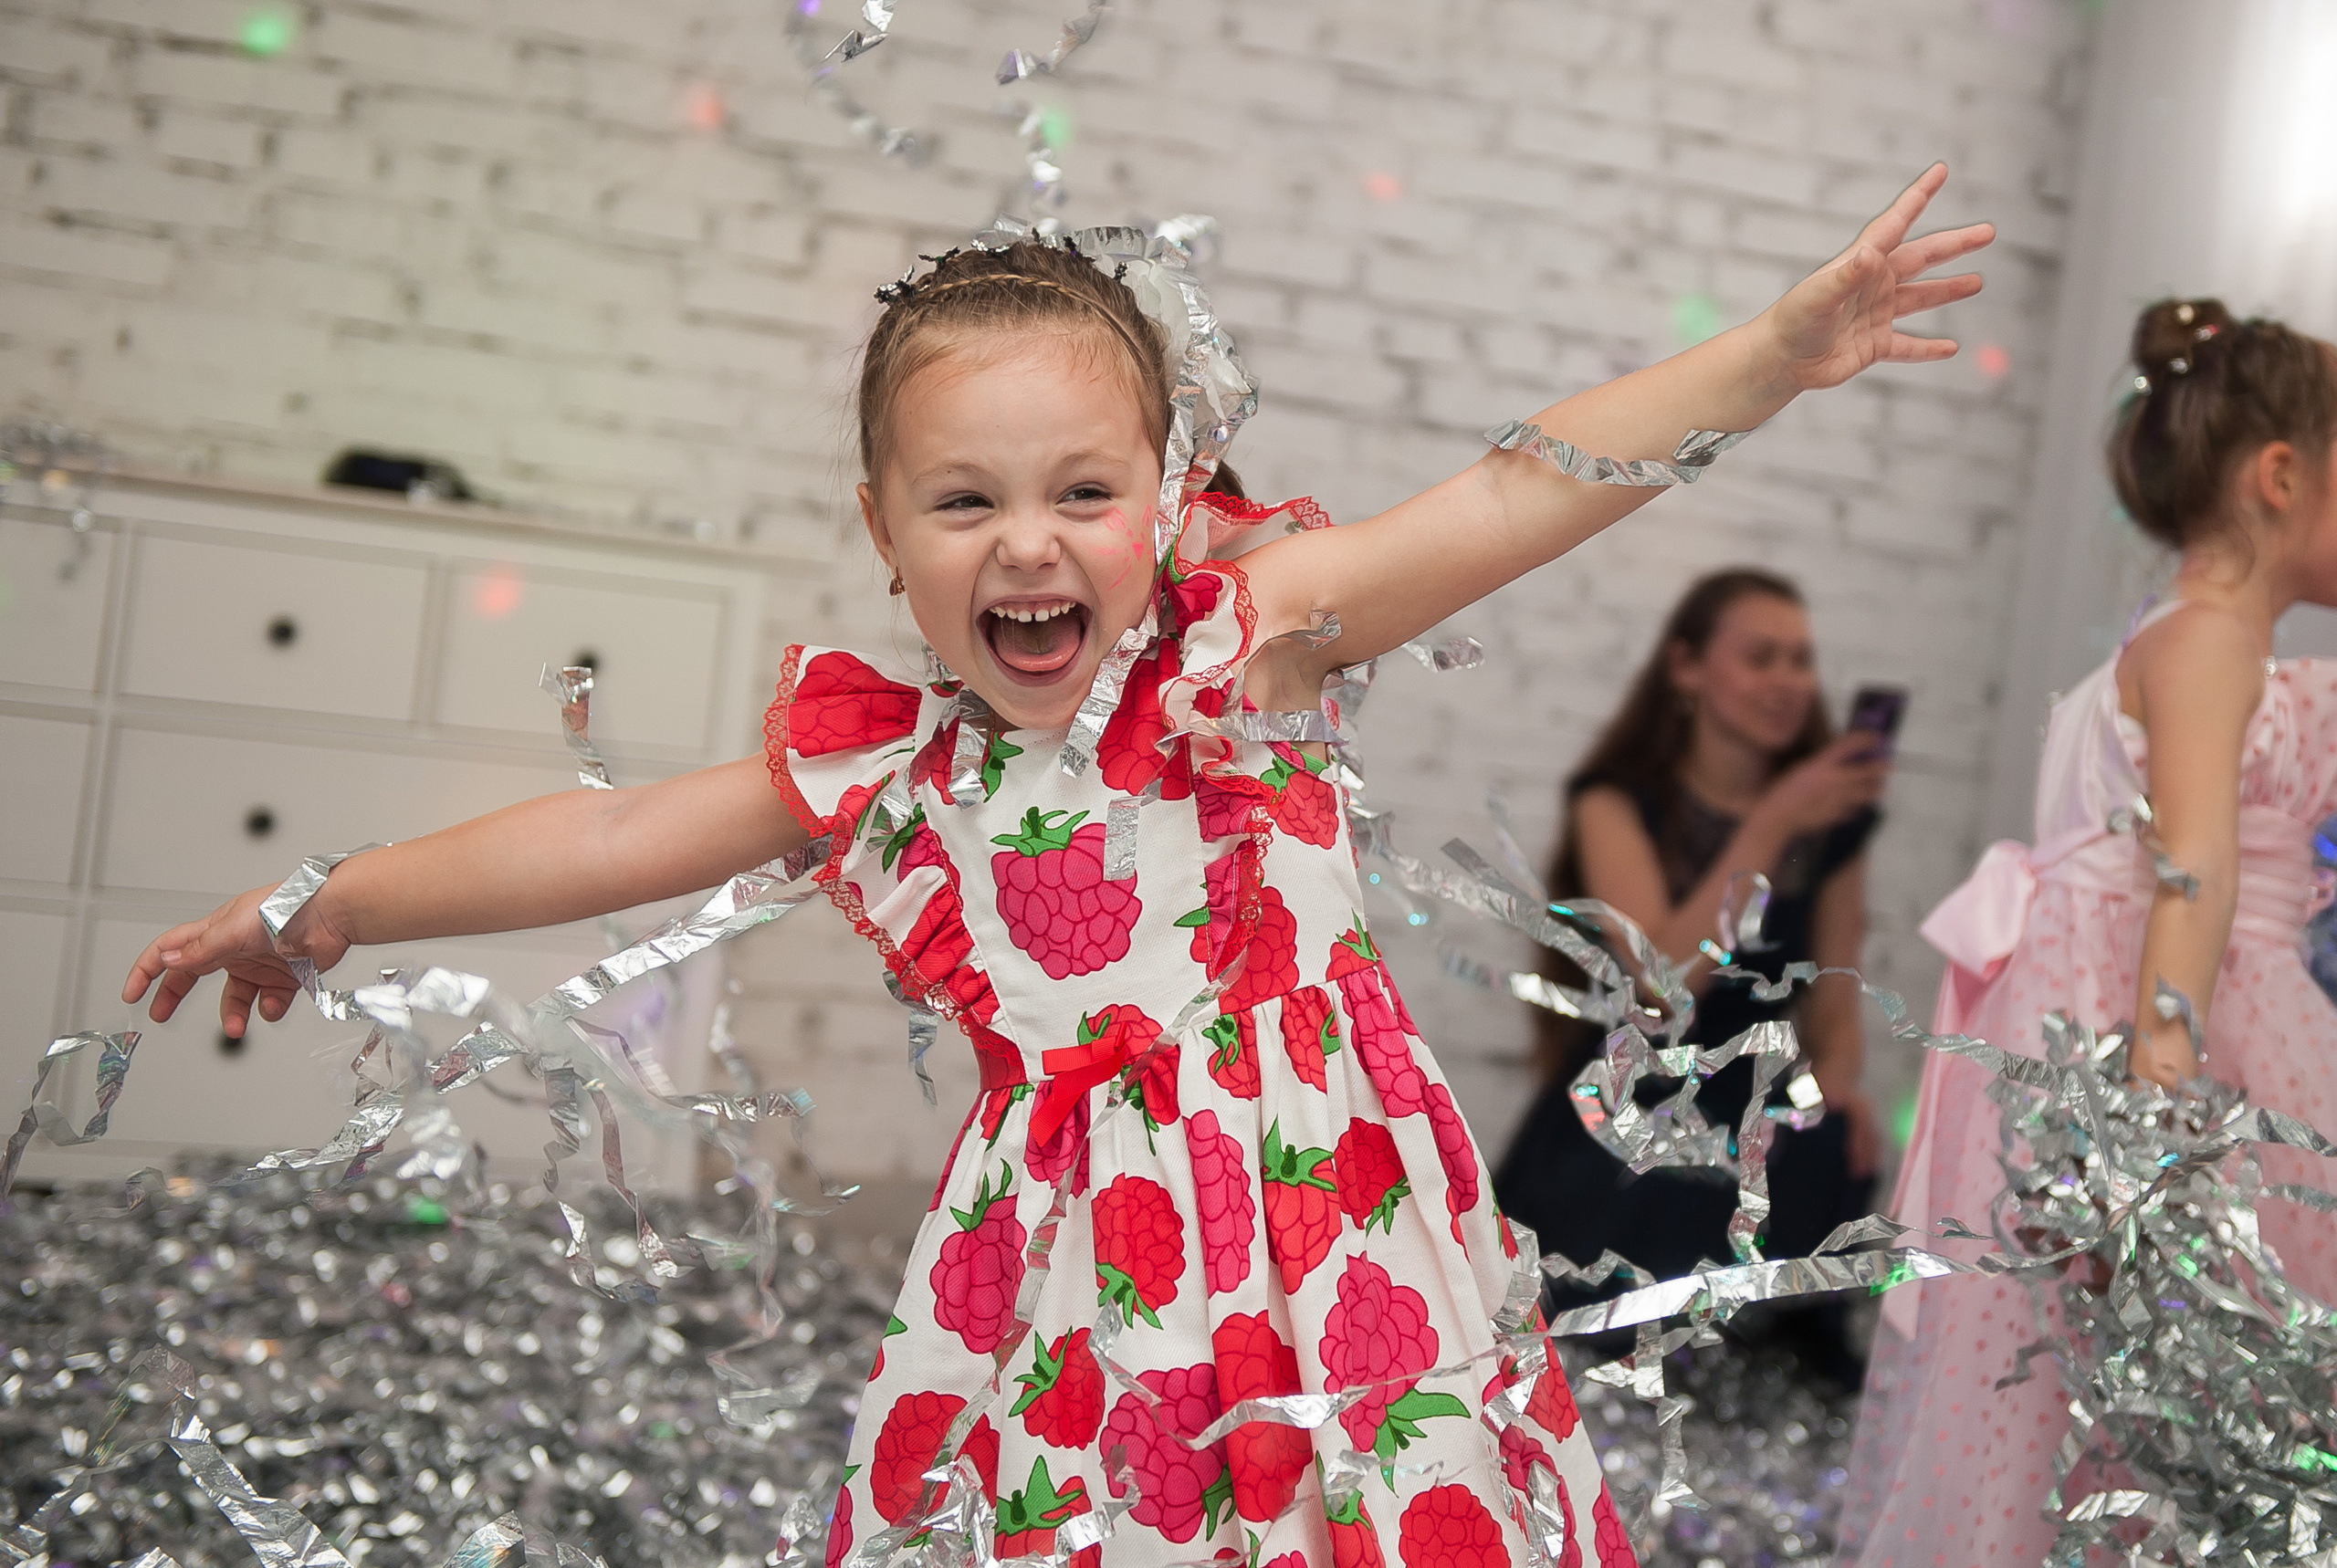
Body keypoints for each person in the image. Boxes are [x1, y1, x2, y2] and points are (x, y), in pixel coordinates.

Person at [121, 167, 1992, 1566]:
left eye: (1079, 491)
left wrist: (1771, 352)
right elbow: (607, 831)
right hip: (1065, 1271)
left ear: (1161, 494)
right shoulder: (889, 760)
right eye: (965, 500)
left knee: (1368, 1502)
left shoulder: (1242, 651)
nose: (1030, 544)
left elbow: (1513, 493)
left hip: (1330, 1223)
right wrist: (326, 900)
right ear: (883, 530)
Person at [1838, 298, 2337, 1567]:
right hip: (2193, 1047)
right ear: (2281, 478)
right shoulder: (2211, 645)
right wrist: (2154, 1133)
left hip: (2122, 1030)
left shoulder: (2169, 646)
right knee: (2171, 1398)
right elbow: (2195, 874)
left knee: (2106, 1414)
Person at [1492, 568, 1888, 1385]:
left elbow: (1835, 1011)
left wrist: (1838, 1090)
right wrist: (1773, 821)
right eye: (1762, 658)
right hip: (1634, 1108)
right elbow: (1664, 983)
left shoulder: (1832, 831)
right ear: (1687, 670)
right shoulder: (1617, 804)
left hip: (1763, 1114)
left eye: (1801, 661)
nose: (1788, 683)